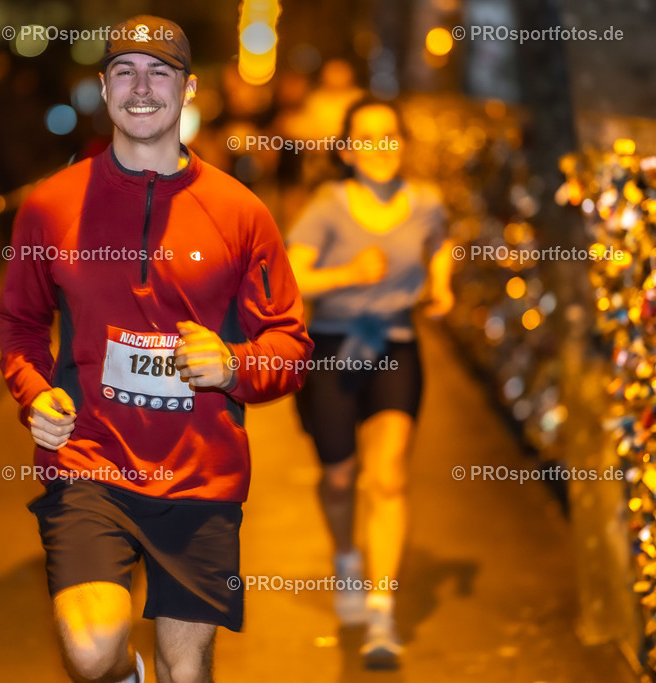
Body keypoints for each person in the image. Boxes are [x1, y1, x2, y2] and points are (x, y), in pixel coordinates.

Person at [0, 15, 312, 683]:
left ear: (189, 88)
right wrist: (34, 394)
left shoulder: (240, 211)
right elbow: (20, 321)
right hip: (88, 460)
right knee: (90, 651)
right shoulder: (50, 207)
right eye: (124, 72)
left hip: (200, 474)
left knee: (186, 668)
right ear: (105, 89)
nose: (142, 88)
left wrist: (233, 364)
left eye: (159, 72)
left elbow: (290, 343)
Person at [286, 96, 453, 669]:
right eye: (368, 137)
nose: (381, 148)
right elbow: (291, 276)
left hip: (395, 345)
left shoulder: (426, 202)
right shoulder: (327, 206)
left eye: (391, 136)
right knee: (340, 477)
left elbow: (443, 240)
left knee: (388, 475)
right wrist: (348, 275)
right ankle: (347, 560)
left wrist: (442, 284)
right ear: (347, 148)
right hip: (331, 346)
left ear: (402, 144)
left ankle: (382, 612)